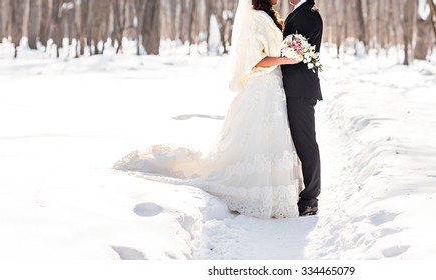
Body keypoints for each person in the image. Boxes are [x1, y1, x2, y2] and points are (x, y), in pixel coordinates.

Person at [114, 0, 302, 219]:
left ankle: (277, 193)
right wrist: (286, 59)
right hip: (262, 86)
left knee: (272, 137)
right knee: (257, 137)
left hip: (273, 85)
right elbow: (254, 61)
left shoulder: (269, 16)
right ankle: (257, 191)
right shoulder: (257, 18)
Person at [281, 0, 323, 216]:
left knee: (305, 144)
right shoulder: (299, 13)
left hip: (300, 90)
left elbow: (294, 53)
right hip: (294, 89)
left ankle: (310, 199)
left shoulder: (307, 15)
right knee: (301, 143)